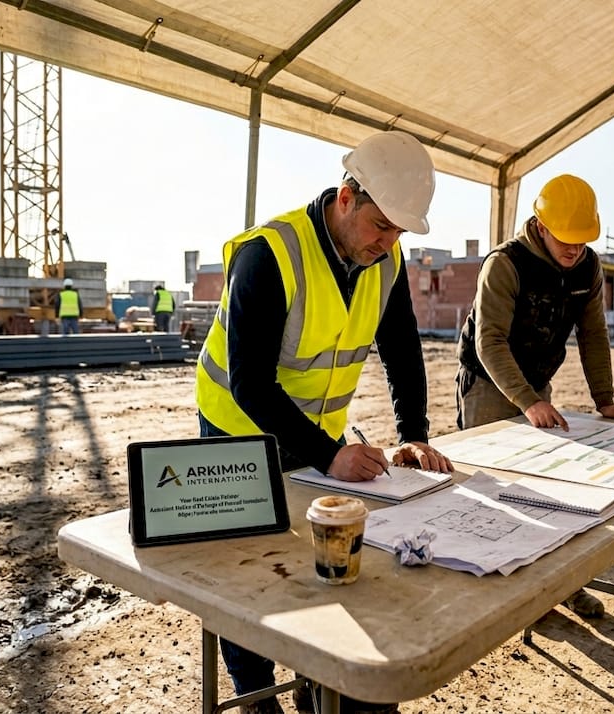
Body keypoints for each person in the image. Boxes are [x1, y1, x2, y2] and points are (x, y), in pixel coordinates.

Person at [195, 130, 452, 714]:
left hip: (313, 433)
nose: (387, 244)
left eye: (398, 233)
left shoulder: (384, 262)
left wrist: (413, 431)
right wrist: (331, 454)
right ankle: (258, 698)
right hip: (237, 429)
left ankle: (319, 681)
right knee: (248, 574)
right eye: (380, 226)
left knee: (324, 561)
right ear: (345, 198)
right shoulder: (270, 254)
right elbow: (250, 383)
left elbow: (403, 347)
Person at [456, 173, 614, 620]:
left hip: (537, 382)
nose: (573, 249)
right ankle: (513, 593)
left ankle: (563, 582)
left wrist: (604, 400)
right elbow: (490, 342)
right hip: (490, 384)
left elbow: (594, 334)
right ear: (540, 225)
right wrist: (527, 400)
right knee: (496, 488)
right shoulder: (506, 264)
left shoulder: (588, 266)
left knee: (548, 487)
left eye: (581, 240)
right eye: (565, 239)